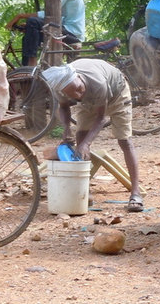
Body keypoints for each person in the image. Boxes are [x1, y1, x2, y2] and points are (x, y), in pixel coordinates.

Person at [42, 59, 144, 213]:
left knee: (125, 141)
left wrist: (86, 144)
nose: (78, 93)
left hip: (117, 94)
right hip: (90, 101)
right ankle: (85, 191)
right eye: (73, 94)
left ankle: (136, 193)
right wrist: (66, 128)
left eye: (78, 88)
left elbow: (101, 118)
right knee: (80, 137)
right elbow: (63, 107)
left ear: (78, 77)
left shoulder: (97, 82)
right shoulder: (61, 87)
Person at [5, 0, 85, 66]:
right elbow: (58, 16)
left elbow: (50, 13)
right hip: (62, 28)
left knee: (33, 21)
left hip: (72, 33)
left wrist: (20, 16)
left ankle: (31, 64)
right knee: (29, 32)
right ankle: (25, 69)